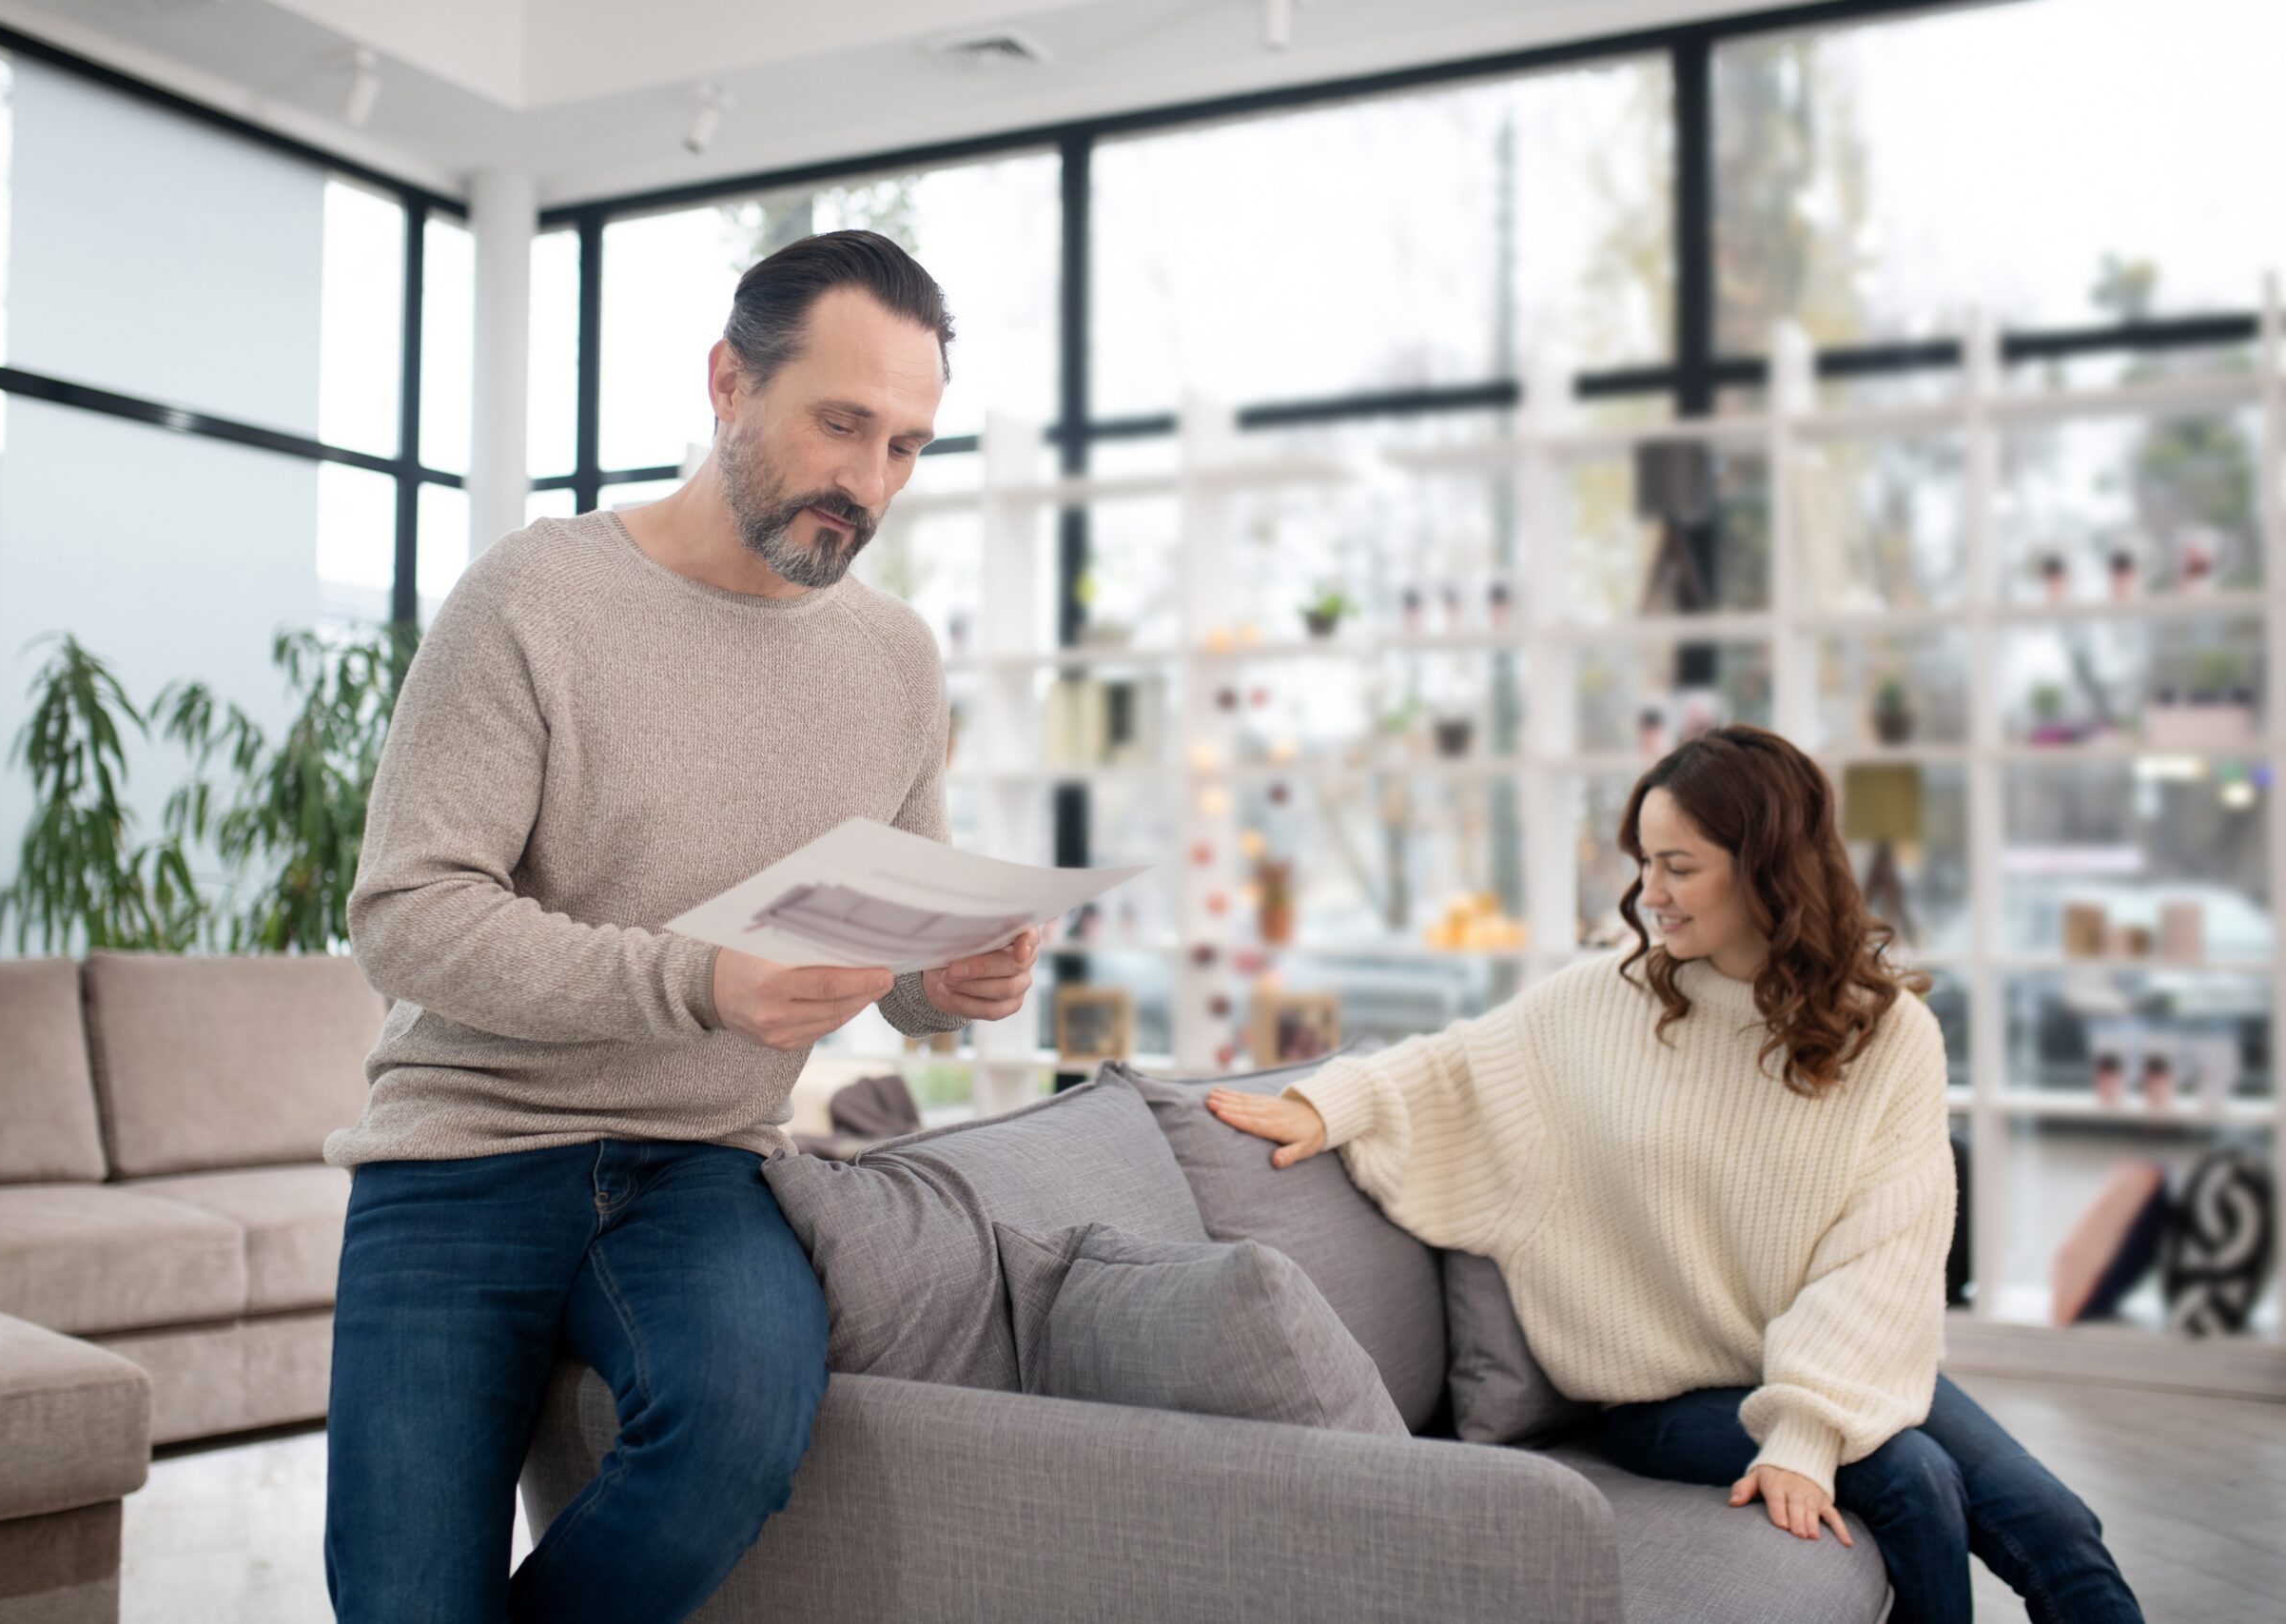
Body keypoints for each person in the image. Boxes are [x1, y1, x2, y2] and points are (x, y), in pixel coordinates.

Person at [321, 230, 1035, 1624]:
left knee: (736, 1430)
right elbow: (409, 915)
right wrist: (699, 981)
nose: (868, 482)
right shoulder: (535, 598)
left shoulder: (896, 660)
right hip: (459, 1152)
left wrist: (949, 977)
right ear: (726, 381)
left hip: (702, 1167)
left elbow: (900, 970)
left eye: (904, 445)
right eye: (840, 424)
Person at [1207, 725, 2141, 1624]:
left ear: (1769, 868)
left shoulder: (1889, 1035)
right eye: (1643, 863)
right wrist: (1327, 1105)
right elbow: (1455, 1065)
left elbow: (1884, 1256)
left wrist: (1810, 1426)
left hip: (1831, 1367)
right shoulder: (1605, 998)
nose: (1650, 892)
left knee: (2057, 1527)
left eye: (1679, 866)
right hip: (1664, 1398)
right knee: (1913, 1481)